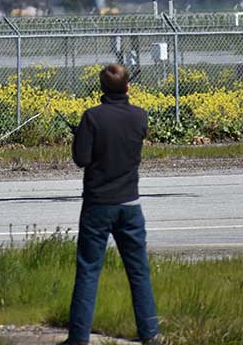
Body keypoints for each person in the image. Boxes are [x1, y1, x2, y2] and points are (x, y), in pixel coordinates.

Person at [59, 63, 159, 345]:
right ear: (128, 87)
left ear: (101, 89)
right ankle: (150, 332)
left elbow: (82, 159)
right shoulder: (140, 116)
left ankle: (79, 337)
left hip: (98, 204)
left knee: (89, 270)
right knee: (139, 271)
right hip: (130, 202)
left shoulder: (92, 117)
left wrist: (80, 136)